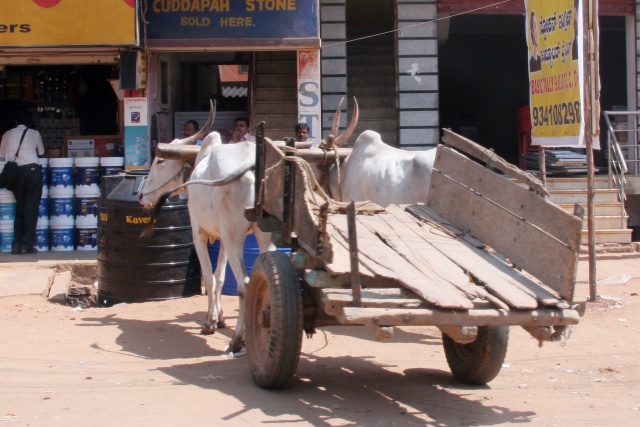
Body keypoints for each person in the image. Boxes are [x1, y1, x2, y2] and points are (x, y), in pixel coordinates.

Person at [0, 110, 45, 254]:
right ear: (30, 123)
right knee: (31, 209)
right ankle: (27, 245)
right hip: (32, 172)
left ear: (15, 122)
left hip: (15, 174)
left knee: (20, 208)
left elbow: (2, 156)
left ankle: (16, 244)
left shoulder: (6, 134)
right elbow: (41, 152)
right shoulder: (34, 133)